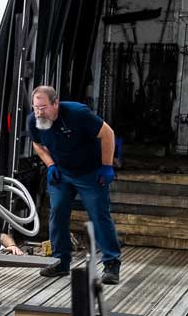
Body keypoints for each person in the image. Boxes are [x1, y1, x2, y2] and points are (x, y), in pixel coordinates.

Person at [29, 84, 123, 284]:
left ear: (56, 104)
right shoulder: (35, 121)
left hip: (90, 173)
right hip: (62, 173)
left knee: (99, 215)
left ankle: (111, 264)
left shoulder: (78, 114)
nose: (39, 112)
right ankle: (61, 261)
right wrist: (51, 165)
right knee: (58, 212)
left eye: (43, 107)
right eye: (35, 107)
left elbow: (108, 134)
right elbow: (36, 143)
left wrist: (107, 166)